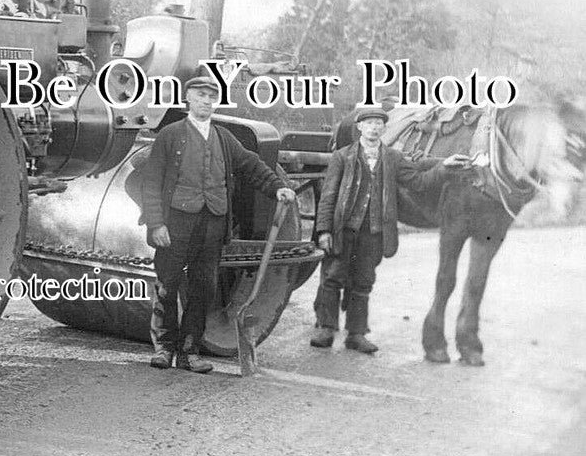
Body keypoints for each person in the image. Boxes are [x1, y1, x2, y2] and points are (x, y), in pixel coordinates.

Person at [141, 75, 297, 373]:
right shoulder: (170, 135)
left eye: (211, 97)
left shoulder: (224, 138)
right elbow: (151, 182)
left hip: (213, 222)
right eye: (200, 95)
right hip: (176, 221)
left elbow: (251, 165)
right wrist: (156, 224)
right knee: (167, 285)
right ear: (188, 98)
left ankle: (190, 351)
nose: (206, 101)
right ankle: (164, 348)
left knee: (204, 287)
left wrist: (277, 186)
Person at [311, 106, 470, 353]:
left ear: (383, 129)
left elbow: (418, 182)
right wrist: (324, 230)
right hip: (344, 228)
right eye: (369, 123)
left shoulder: (393, 158)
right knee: (334, 276)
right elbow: (328, 197)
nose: (374, 128)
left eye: (378, 124)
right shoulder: (342, 156)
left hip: (374, 231)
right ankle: (326, 327)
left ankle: (356, 334)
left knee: (364, 281)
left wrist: (443, 168)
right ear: (360, 127)